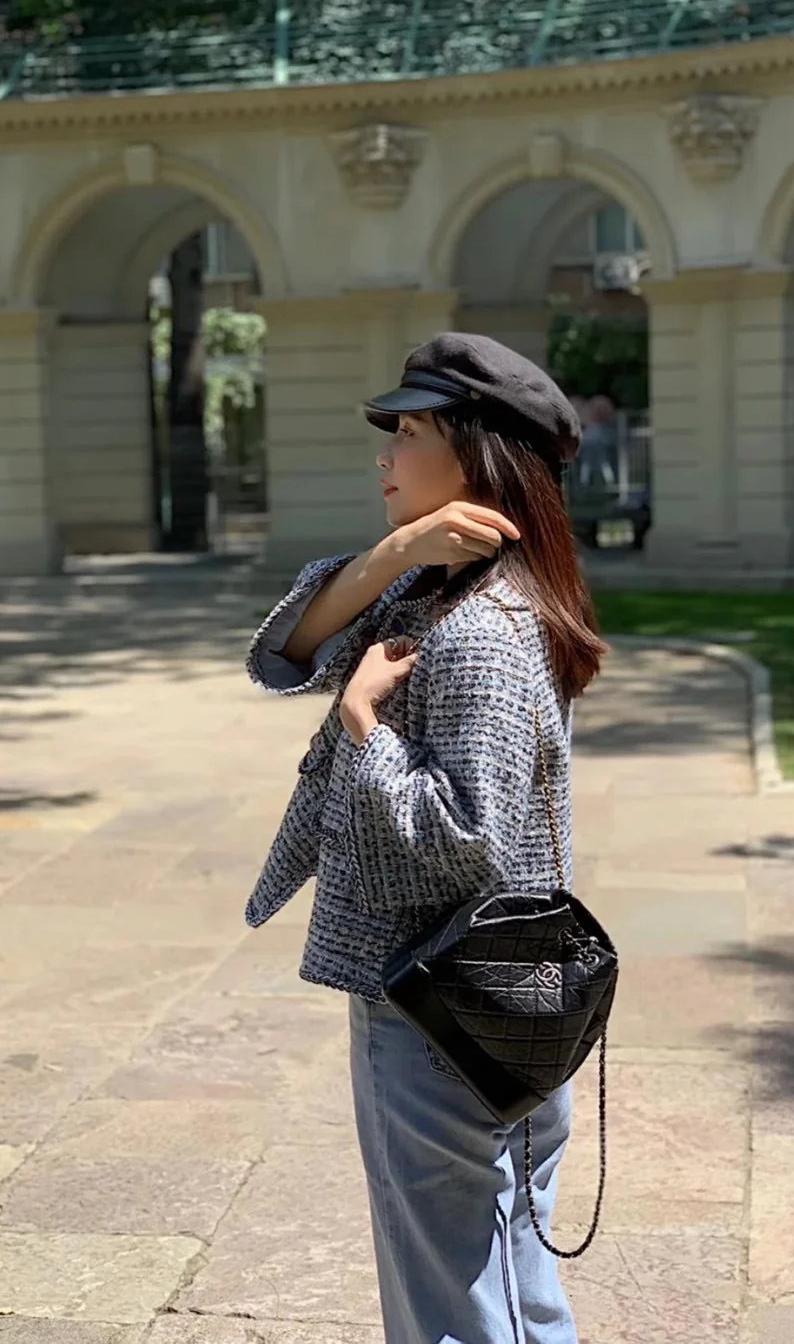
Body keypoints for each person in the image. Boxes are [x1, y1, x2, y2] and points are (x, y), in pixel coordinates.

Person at [245, 332, 605, 1344]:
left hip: (437, 1003)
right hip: (493, 1000)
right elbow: (283, 650)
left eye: (409, 433)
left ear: (477, 457)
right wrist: (400, 551)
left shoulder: (480, 630)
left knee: (452, 1304)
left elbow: (464, 841)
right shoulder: (445, 592)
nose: (385, 454)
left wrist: (365, 725)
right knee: (510, 1285)